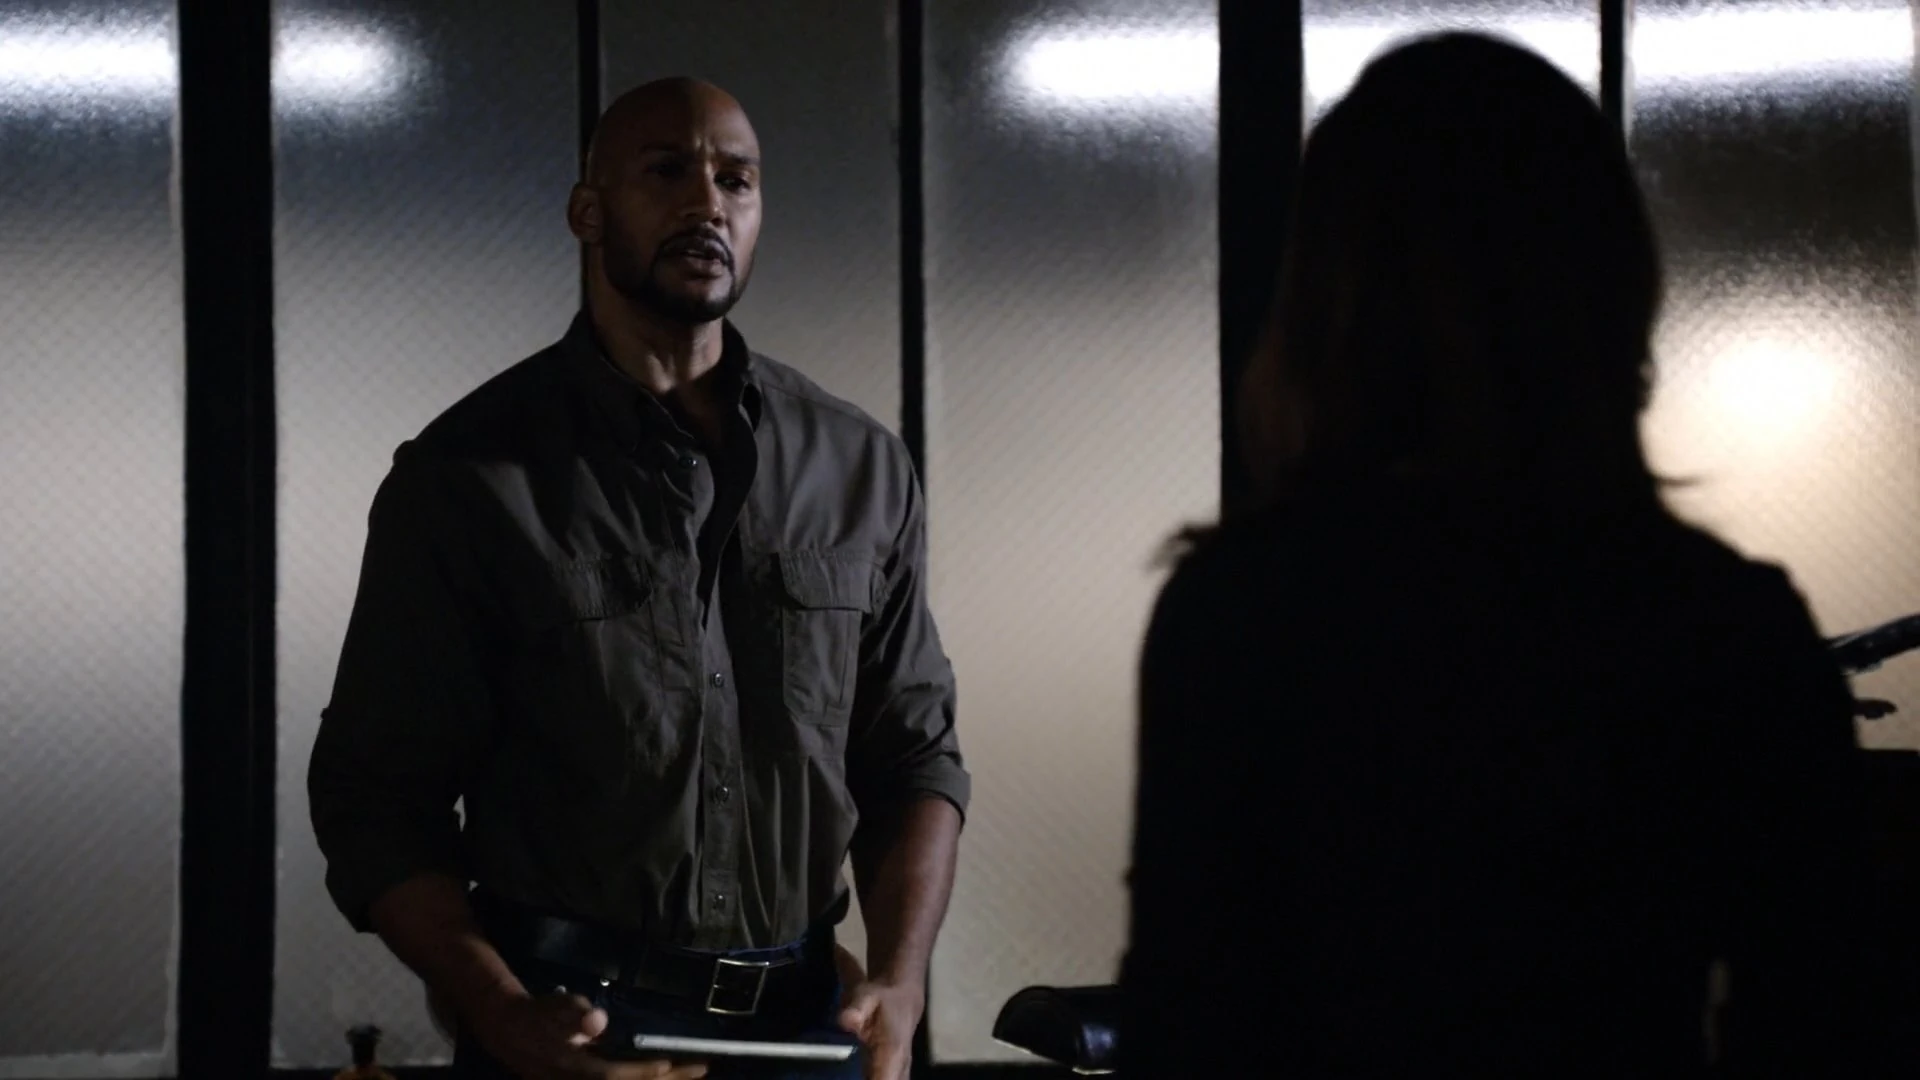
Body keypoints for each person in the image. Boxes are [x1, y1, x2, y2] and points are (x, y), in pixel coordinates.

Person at [1122, 34, 1882, 1078]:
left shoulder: (1238, 613)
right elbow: (1823, 1020)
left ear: (1329, 297)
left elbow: (1188, 1018)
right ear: (1612, 283)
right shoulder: (1724, 624)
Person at [308, 77, 968, 1080]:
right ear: (588, 211)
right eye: (666, 172)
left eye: (736, 181)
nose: (707, 203)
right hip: (571, 1029)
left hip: (808, 1024)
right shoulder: (470, 476)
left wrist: (903, 980)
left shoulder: (859, 465)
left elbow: (913, 757)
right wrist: (499, 1011)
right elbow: (374, 800)